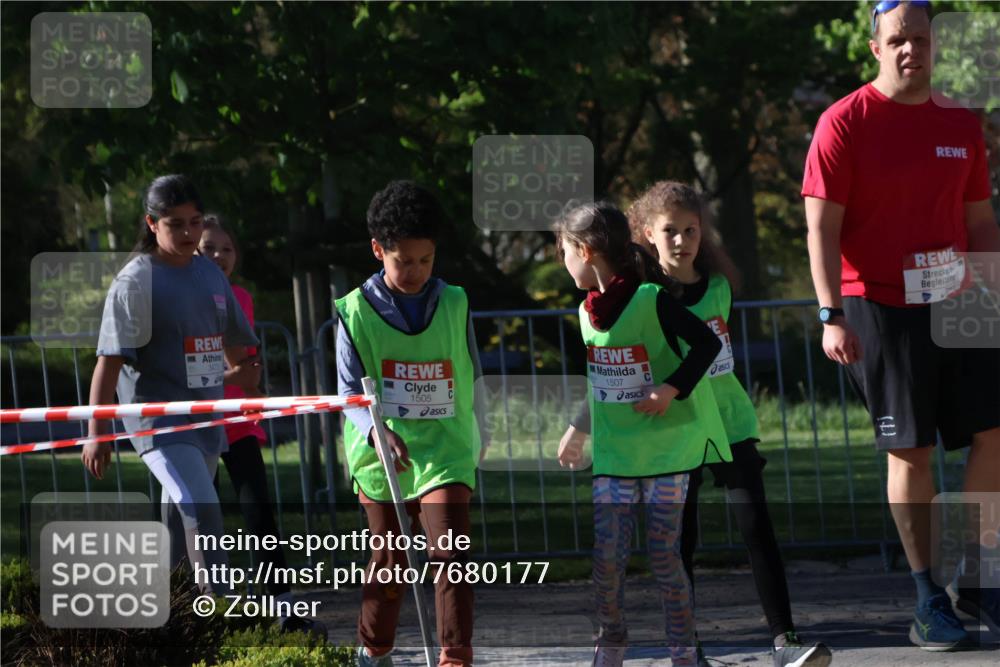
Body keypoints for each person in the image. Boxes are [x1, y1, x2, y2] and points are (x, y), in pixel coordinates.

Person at [802, 0, 1000, 651]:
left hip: (960, 299)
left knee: (995, 433)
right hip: (879, 305)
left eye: (921, 37)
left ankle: (978, 577)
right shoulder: (844, 122)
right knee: (910, 450)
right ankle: (927, 598)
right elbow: (821, 228)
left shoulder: (961, 123)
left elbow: (979, 221)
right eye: (898, 40)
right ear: (876, 48)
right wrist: (830, 313)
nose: (911, 48)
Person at [630, 181, 832, 667]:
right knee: (682, 540)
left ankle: (785, 639)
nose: (681, 240)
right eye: (670, 230)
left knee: (757, 528)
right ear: (648, 233)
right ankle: (686, 646)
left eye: (691, 230)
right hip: (677, 429)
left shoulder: (720, 288)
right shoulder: (643, 297)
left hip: (729, 422)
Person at [555, 201, 731, 667]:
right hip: (615, 456)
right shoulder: (586, 313)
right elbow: (601, 380)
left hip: (665, 454)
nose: (564, 265)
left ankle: (684, 653)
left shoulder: (651, 299)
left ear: (585, 251)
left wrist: (670, 388)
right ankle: (611, 641)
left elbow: (707, 344)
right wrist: (577, 428)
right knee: (607, 560)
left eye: (564, 253)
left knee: (665, 558)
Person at [83, 175, 260, 596]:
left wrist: (247, 373)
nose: (187, 233)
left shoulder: (210, 275)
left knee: (179, 523)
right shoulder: (134, 282)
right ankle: (218, 611)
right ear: (152, 223)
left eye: (194, 222)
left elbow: (235, 345)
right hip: (158, 422)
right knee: (202, 506)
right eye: (175, 224)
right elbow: (108, 362)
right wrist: (97, 431)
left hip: (206, 420)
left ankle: (170, 612)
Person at [335, 180, 487, 667]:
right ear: (378, 250)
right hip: (381, 457)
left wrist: (483, 428)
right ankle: (374, 649)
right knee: (390, 563)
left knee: (452, 555)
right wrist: (376, 430)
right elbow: (347, 393)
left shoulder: (456, 302)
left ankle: (454, 657)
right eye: (404, 261)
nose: (417, 271)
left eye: (426, 259)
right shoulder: (353, 312)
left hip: (446, 449)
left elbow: (472, 371)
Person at [197, 215, 325, 635]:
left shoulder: (240, 298)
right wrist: (229, 374)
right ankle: (204, 609)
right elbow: (190, 372)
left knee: (259, 515)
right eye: (208, 248)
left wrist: (243, 382)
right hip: (193, 427)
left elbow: (247, 369)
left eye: (227, 249)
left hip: (238, 423)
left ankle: (283, 609)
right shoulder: (179, 298)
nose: (218, 256)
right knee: (200, 519)